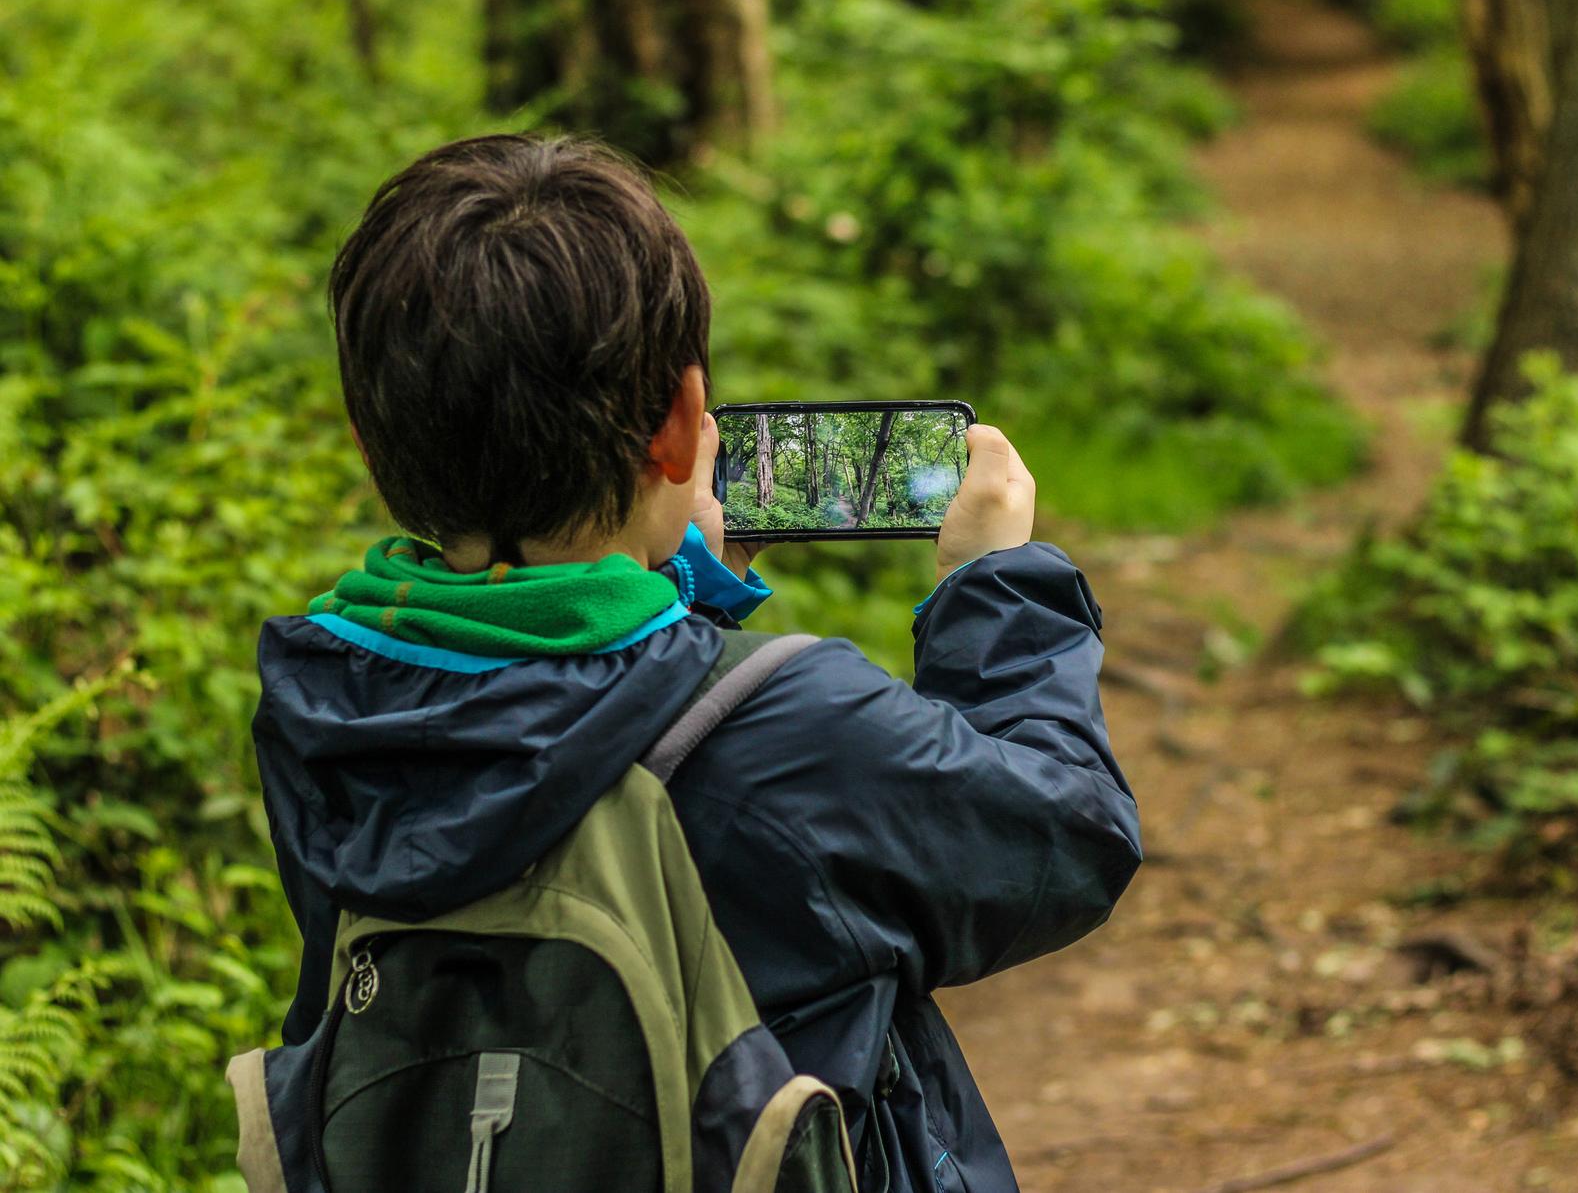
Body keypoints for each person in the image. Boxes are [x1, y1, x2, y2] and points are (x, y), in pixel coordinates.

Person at [251, 134, 1142, 1193]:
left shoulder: (326, 700)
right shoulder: (793, 727)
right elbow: (1067, 836)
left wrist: (675, 601)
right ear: (681, 426)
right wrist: (997, 587)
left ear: (368, 438)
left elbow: (541, 733)